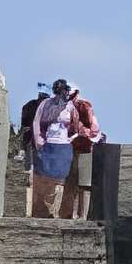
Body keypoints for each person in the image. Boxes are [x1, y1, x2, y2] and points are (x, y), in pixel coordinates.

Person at [25, 80, 78, 218]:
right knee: (46, 178)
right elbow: (37, 122)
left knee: (59, 179)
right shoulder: (46, 104)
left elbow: (76, 126)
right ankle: (44, 211)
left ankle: (54, 211)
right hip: (48, 144)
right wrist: (39, 141)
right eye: (58, 91)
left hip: (63, 146)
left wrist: (71, 138)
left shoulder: (70, 106)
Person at [59, 91, 103, 221]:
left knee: (83, 183)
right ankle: (70, 214)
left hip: (84, 148)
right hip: (73, 148)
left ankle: (81, 215)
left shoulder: (84, 106)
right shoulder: (69, 107)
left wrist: (82, 131)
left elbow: (93, 128)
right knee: (73, 182)